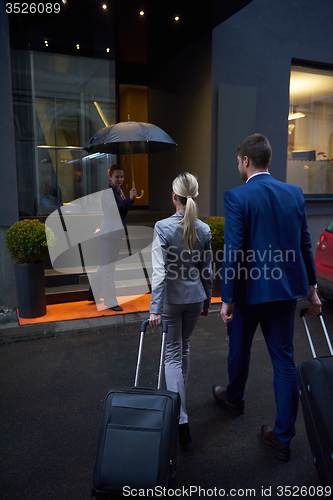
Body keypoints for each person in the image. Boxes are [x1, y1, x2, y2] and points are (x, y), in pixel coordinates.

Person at [212, 134, 322, 461]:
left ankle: (234, 399)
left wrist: (227, 298)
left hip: (248, 293)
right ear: (267, 159)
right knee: (284, 362)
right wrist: (312, 290)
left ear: (246, 161)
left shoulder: (237, 196)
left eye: (238, 161)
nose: (238, 165)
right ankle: (283, 437)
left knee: (238, 349)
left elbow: (233, 251)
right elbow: (305, 244)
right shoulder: (294, 194)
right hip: (286, 292)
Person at [149, 172, 213, 446]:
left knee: (172, 355)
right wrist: (207, 300)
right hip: (195, 298)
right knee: (183, 348)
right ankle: (179, 401)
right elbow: (207, 270)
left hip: (172, 301)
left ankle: (180, 418)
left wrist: (154, 308)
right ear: (194, 197)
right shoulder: (204, 229)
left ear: (174, 197)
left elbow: (160, 272)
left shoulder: (162, 227)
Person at [88, 164, 137, 311]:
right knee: (109, 268)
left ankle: (93, 293)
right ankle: (110, 301)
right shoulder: (108, 192)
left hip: (114, 232)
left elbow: (122, 212)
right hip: (109, 233)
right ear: (110, 176)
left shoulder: (118, 191)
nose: (120, 179)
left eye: (122, 176)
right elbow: (116, 211)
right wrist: (129, 199)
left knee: (106, 265)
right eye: (117, 177)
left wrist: (130, 199)